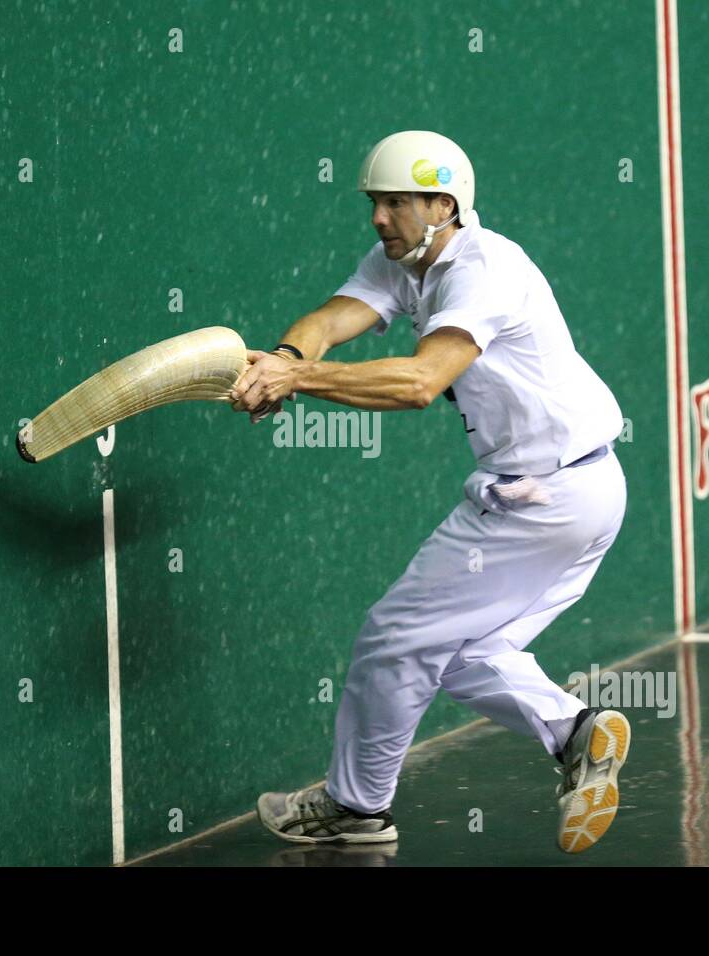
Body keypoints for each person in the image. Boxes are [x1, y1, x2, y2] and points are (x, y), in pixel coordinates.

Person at [230, 130, 631, 854]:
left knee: (393, 638)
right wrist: (286, 358)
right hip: (585, 489)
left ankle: (356, 807)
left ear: (443, 206)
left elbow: (420, 382)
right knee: (461, 652)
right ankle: (578, 733)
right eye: (374, 203)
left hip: (542, 498)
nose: (379, 217)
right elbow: (330, 320)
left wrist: (298, 381)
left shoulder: (484, 269)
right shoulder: (406, 261)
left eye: (395, 202)